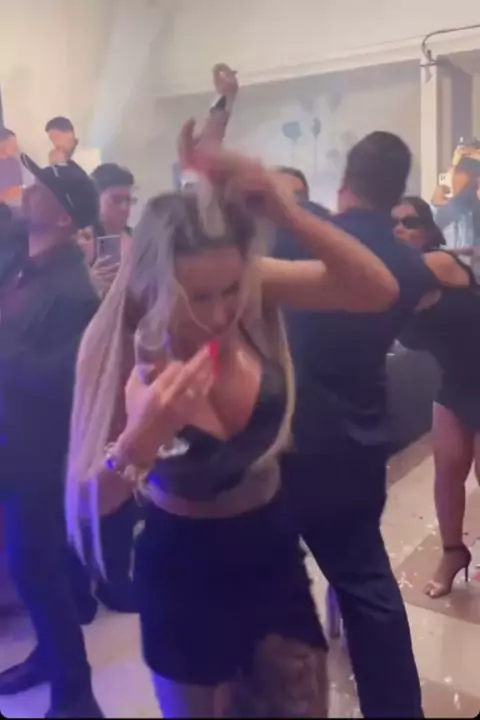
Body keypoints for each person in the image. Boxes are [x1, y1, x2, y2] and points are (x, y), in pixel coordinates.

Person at [65, 117, 399, 718]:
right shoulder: (120, 342)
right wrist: (139, 441)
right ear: (154, 283)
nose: (222, 313)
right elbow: (85, 506)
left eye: (231, 289)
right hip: (183, 576)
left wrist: (287, 212)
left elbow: (376, 290)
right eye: (198, 297)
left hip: (272, 552)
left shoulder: (249, 288)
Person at [274, 133, 437, 719]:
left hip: (289, 440)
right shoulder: (409, 265)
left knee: (274, 583)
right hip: (361, 439)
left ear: (344, 184)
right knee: (367, 585)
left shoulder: (306, 236)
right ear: (397, 192)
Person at [0, 156, 103, 719]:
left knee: (35, 566)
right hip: (10, 437)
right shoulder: (21, 259)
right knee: (37, 564)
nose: (27, 190)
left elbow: (60, 383)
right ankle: (49, 657)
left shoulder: (74, 294)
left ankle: (77, 696)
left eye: (40, 188)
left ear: (64, 217)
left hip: (37, 451)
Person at [393, 196, 480, 598]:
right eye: (392, 223)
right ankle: (452, 553)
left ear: (427, 230)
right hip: (456, 381)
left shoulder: (439, 263)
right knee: (447, 472)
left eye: (410, 222)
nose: (400, 229)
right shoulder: (397, 286)